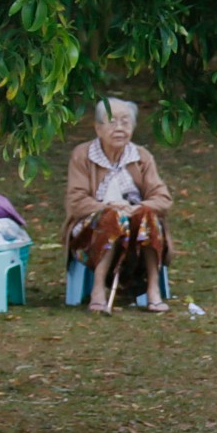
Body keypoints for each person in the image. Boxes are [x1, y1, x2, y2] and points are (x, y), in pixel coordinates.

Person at [64, 97, 172, 314]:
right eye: (112, 122)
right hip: (91, 228)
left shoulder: (141, 157)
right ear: (98, 128)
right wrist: (107, 207)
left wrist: (138, 207)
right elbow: (76, 201)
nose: (120, 128)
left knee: (147, 215)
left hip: (136, 226)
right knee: (111, 218)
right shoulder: (82, 155)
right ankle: (97, 290)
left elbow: (163, 198)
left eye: (126, 122)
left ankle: (153, 290)